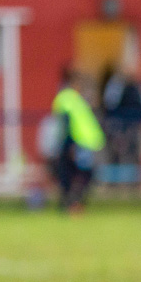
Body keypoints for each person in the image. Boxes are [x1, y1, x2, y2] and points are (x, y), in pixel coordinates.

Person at [50, 67, 104, 213]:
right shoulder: (67, 97)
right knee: (81, 174)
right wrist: (69, 145)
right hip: (78, 143)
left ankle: (72, 204)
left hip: (83, 142)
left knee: (77, 174)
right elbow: (66, 123)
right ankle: (73, 204)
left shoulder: (74, 97)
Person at [102, 53, 141, 183]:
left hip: (136, 125)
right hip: (118, 126)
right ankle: (115, 183)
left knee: (135, 155)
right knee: (116, 154)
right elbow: (109, 105)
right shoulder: (116, 84)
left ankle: (134, 182)